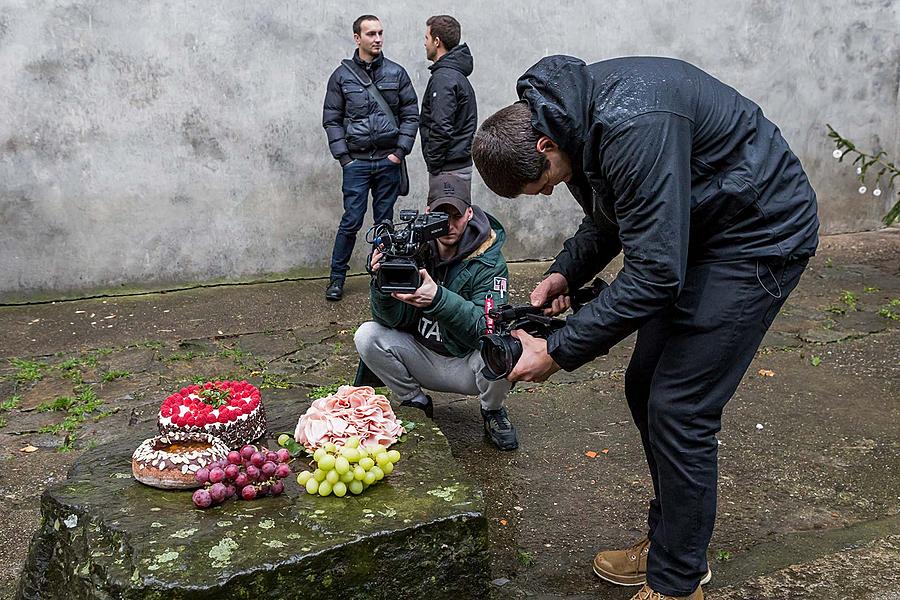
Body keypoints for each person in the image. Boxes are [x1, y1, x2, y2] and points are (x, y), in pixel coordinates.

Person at [472, 55, 819, 600]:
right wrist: (567, 271)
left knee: (681, 405)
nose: (542, 195)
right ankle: (672, 546)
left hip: (757, 235)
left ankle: (677, 583)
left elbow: (656, 275)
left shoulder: (632, 124)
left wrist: (558, 349)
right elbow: (616, 212)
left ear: (542, 146)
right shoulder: (574, 121)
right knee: (645, 385)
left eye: (537, 186)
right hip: (698, 230)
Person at [353, 173, 518, 450]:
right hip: (422, 354)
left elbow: (486, 327)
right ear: (428, 213)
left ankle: (492, 410)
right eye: (441, 216)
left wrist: (438, 298)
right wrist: (381, 282)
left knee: (502, 348)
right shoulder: (410, 246)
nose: (449, 225)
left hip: (466, 364)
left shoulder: (489, 261)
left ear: (469, 213)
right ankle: (414, 400)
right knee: (367, 335)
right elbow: (390, 320)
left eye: (456, 216)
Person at [322, 14, 419, 301]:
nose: (377, 39)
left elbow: (411, 114)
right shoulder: (341, 77)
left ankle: (383, 277)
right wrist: (345, 159)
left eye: (380, 33)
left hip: (388, 162)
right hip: (357, 163)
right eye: (370, 34)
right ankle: (336, 279)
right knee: (351, 221)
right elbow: (332, 119)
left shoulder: (396, 73)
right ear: (357, 38)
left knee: (384, 223)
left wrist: (399, 153)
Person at [420, 15, 477, 186]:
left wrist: (434, 164)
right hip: (455, 166)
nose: (425, 43)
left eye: (426, 38)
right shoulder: (454, 74)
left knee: (444, 213)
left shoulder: (444, 78)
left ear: (436, 41)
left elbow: (441, 127)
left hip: (448, 170)